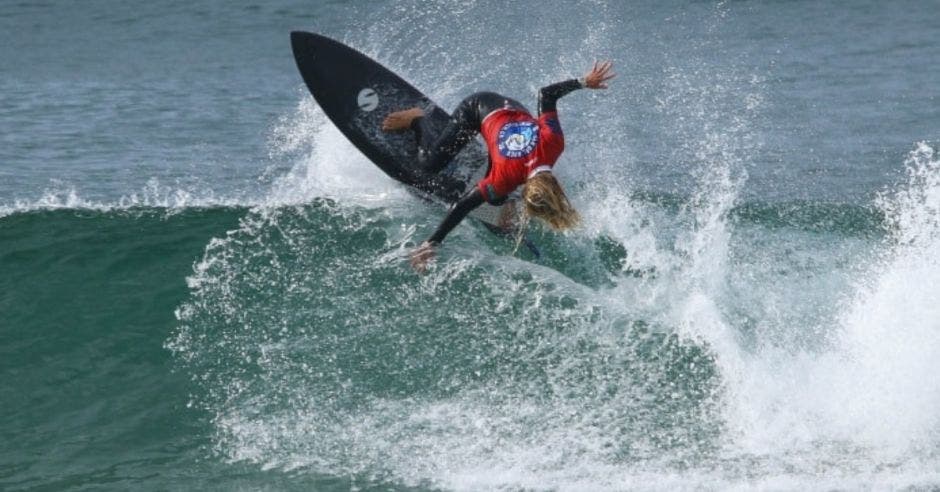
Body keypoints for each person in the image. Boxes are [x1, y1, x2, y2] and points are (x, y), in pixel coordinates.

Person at [382, 61, 615, 272]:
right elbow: (461, 206)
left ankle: (493, 173)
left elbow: (546, 94)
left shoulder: (554, 142)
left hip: (512, 109)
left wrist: (584, 82)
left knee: (496, 199)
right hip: (476, 109)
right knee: (428, 166)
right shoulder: (504, 177)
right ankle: (417, 118)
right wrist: (430, 243)